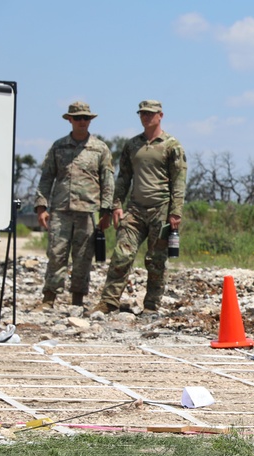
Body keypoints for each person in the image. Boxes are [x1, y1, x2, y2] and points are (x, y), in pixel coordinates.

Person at [92, 101, 185, 315]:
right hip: (134, 209)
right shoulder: (132, 145)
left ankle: (151, 306)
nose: (146, 117)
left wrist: (175, 211)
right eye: (142, 114)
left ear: (160, 115)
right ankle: (109, 301)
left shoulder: (172, 145)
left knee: (155, 260)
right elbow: (124, 177)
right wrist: (116, 205)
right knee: (121, 254)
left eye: (150, 114)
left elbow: (179, 180)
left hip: (160, 209)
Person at [33, 102, 114, 310]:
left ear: (90, 120)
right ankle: (49, 298)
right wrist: (41, 206)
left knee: (83, 258)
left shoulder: (99, 148)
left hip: (87, 212)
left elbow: (108, 181)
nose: (82, 122)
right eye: (77, 118)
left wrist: (106, 211)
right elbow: (46, 177)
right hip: (60, 210)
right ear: (69, 119)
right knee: (56, 253)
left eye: (85, 118)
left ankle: (77, 299)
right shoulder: (58, 147)